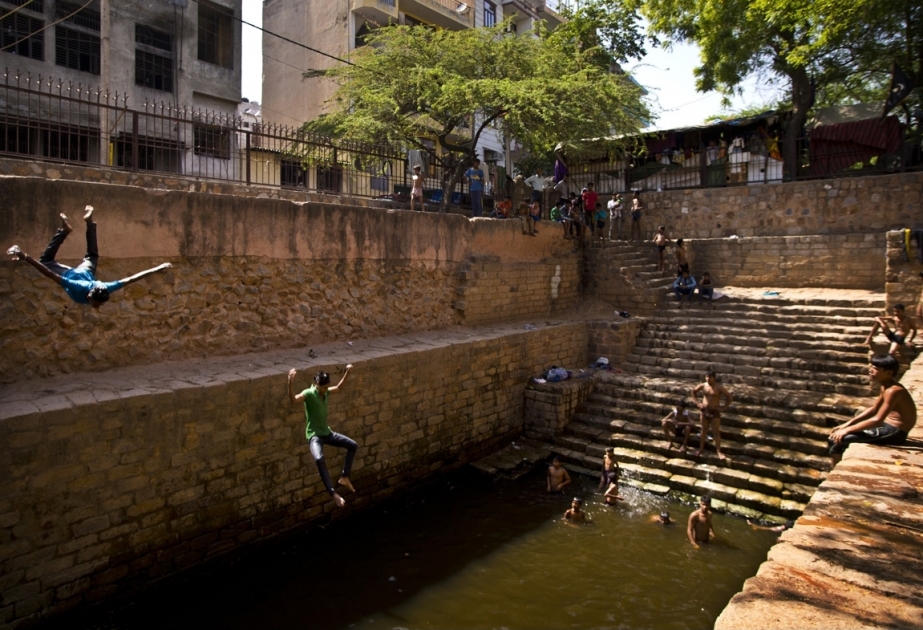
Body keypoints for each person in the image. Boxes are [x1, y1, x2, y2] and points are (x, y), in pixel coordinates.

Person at [6, 205, 172, 310]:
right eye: (96, 304)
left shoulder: (105, 288)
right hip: (72, 274)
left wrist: (158, 268)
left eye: (99, 304)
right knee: (45, 262)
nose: (97, 307)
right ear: (89, 296)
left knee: (92, 255)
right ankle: (69, 229)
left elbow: (132, 279)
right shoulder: (77, 286)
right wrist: (25, 256)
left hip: (86, 272)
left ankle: (87, 223)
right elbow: (49, 274)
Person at [288, 364, 358, 508]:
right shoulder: (308, 393)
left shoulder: (325, 393)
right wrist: (290, 383)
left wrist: (347, 373)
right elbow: (293, 400)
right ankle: (333, 494)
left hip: (327, 433)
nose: (326, 390)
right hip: (314, 436)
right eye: (324, 388)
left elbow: (339, 388)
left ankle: (344, 477)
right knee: (319, 459)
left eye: (327, 388)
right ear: (317, 384)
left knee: (353, 445)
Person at [828, 355, 917, 464]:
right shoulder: (886, 386)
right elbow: (874, 409)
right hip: (886, 426)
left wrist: (848, 430)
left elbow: (877, 420)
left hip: (895, 432)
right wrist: (848, 424)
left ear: (889, 373)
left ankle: (836, 469)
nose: (870, 370)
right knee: (839, 434)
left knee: (835, 440)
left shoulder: (893, 391)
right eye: (871, 367)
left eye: (875, 369)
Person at [692, 369, 732, 459]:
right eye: (707, 377)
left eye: (710, 377)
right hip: (704, 410)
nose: (708, 379)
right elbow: (693, 391)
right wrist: (698, 403)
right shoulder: (703, 385)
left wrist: (724, 407)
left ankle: (719, 451)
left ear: (714, 378)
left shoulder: (719, 387)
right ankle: (701, 448)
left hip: (715, 411)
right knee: (703, 430)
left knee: (716, 432)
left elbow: (729, 397)